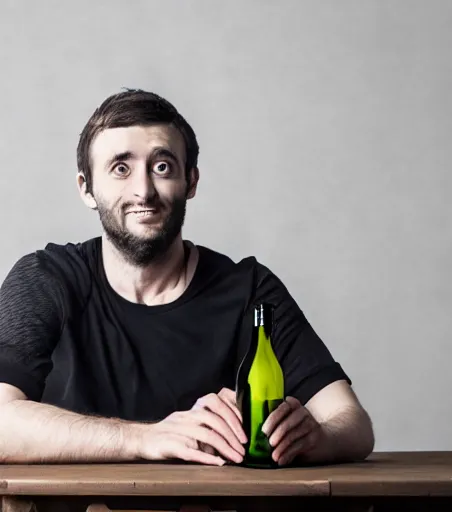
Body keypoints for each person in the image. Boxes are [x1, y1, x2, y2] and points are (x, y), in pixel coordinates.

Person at [0, 89, 374, 467]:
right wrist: (146, 437)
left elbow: (353, 423)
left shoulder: (249, 290)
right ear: (87, 188)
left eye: (162, 167)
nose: (143, 190)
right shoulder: (44, 279)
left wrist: (317, 435)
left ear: (191, 182)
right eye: (121, 168)